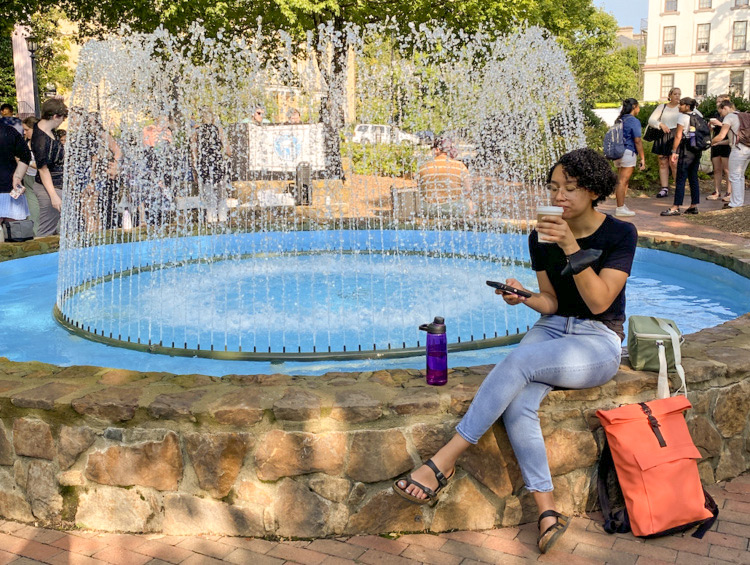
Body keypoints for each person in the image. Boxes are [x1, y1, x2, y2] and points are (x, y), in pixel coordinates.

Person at [394, 147, 637, 554]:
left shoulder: (619, 234)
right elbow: (552, 302)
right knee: (519, 402)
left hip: (597, 340)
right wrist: (524, 297)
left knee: (518, 360)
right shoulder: (540, 234)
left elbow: (598, 303)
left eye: (569, 189)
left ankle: (442, 462)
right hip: (553, 328)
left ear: (594, 191)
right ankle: (546, 510)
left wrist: (573, 247)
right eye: (553, 187)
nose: (558, 197)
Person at [661, 97, 704, 216]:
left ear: (687, 106)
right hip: (696, 149)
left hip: (686, 149)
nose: (679, 106)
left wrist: (674, 151)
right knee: (693, 177)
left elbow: (678, 136)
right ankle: (694, 205)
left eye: (681, 105)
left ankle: (675, 207)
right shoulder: (697, 114)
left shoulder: (682, 117)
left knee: (680, 178)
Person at [31, 98, 67, 237]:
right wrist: (54, 197)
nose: (63, 121)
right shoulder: (41, 139)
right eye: (62, 118)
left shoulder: (47, 130)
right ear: (55, 116)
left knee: (52, 229)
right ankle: (36, 256)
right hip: (50, 189)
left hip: (56, 186)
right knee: (46, 231)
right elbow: (43, 169)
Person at [417, 136, 474, 217]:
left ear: (437, 149)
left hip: (429, 209)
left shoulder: (423, 167)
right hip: (454, 208)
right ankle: (467, 225)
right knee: (469, 202)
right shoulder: (460, 166)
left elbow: (420, 189)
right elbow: (468, 189)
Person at [191, 110, 231, 223]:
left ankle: (211, 221)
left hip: (204, 166)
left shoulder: (196, 131)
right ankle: (223, 220)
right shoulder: (219, 130)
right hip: (218, 165)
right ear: (213, 118)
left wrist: (195, 168)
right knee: (221, 196)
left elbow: (193, 152)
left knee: (209, 199)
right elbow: (228, 151)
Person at [711, 99, 748, 209]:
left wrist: (712, 141)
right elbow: (732, 138)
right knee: (740, 176)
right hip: (747, 148)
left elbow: (722, 135)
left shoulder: (729, 117)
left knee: (734, 176)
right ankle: (738, 201)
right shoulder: (743, 115)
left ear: (725, 108)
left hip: (738, 150)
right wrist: (719, 144)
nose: (721, 115)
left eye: (721, 112)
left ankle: (735, 204)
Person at [613, 98, 646, 217]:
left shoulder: (619, 119)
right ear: (634, 107)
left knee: (622, 181)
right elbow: (637, 140)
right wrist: (642, 157)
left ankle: (621, 205)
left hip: (617, 153)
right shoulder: (634, 121)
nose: (639, 109)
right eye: (638, 106)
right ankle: (620, 208)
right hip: (628, 152)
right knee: (623, 181)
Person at [0, 122, 32, 241]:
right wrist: (17, 177)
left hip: (10, 188)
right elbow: (25, 155)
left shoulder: (8, 131)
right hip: (10, 187)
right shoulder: (8, 131)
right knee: (15, 235)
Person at [648, 87, 682, 198]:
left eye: (679, 94)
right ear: (670, 95)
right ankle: (664, 188)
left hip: (676, 136)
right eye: (675, 94)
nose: (677, 96)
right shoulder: (662, 107)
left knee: (674, 163)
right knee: (663, 163)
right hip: (663, 136)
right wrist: (660, 124)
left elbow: (697, 116)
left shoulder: (682, 107)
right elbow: (651, 120)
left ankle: (679, 187)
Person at [707, 95, 732, 203]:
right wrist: (710, 126)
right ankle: (717, 191)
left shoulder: (731, 116)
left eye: (721, 102)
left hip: (727, 143)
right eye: (717, 101)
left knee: (727, 169)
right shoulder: (716, 114)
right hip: (716, 142)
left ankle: (729, 192)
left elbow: (731, 129)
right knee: (717, 169)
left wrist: (720, 124)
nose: (718, 104)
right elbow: (712, 130)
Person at [21, 117, 40, 235]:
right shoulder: (26, 143)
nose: (24, 132)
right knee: (33, 211)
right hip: (28, 179)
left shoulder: (43, 143)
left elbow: (43, 165)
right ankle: (36, 236)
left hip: (42, 180)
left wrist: (26, 162)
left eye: (27, 130)